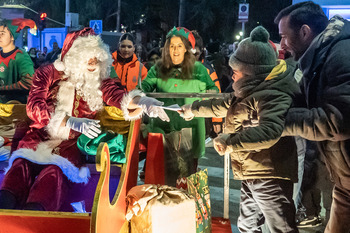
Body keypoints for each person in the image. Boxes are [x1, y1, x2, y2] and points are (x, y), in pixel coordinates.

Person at [0, 28, 168, 211]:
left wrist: (142, 101)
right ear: (74, 56)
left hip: (70, 145)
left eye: (97, 57)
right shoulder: (48, 73)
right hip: (37, 136)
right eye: (88, 56)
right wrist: (67, 120)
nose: (93, 62)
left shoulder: (99, 81)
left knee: (55, 174)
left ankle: (36, 219)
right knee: (19, 168)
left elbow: (118, 96)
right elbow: (34, 106)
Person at [180, 26, 299, 232]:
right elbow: (223, 103)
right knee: (247, 225)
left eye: (235, 72)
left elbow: (270, 131)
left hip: (269, 174)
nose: (232, 76)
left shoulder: (273, 94)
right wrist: (193, 109)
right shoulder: (249, 91)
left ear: (252, 71)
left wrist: (230, 141)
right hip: (250, 171)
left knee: (281, 227)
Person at [274, 2, 350, 232]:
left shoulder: (340, 55)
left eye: (284, 37)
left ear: (305, 32)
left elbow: (338, 119)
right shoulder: (319, 56)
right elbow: (299, 98)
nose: (283, 45)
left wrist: (279, 122)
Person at [139, 27, 218, 185]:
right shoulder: (157, 69)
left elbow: (214, 92)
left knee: (185, 182)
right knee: (160, 181)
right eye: (172, 46)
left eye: (179, 46)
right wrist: (139, 98)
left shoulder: (200, 70)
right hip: (162, 130)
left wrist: (205, 97)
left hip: (190, 131)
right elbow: (143, 89)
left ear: (187, 49)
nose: (175, 50)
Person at [192, 30, 223, 137]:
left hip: (202, 115)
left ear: (201, 51)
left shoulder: (207, 69)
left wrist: (217, 120)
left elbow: (216, 95)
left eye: (195, 52)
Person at [0, 18, 35, 104]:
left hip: (15, 108)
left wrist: (3, 89)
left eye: (2, 34)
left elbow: (28, 83)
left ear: (12, 37)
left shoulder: (21, 56)